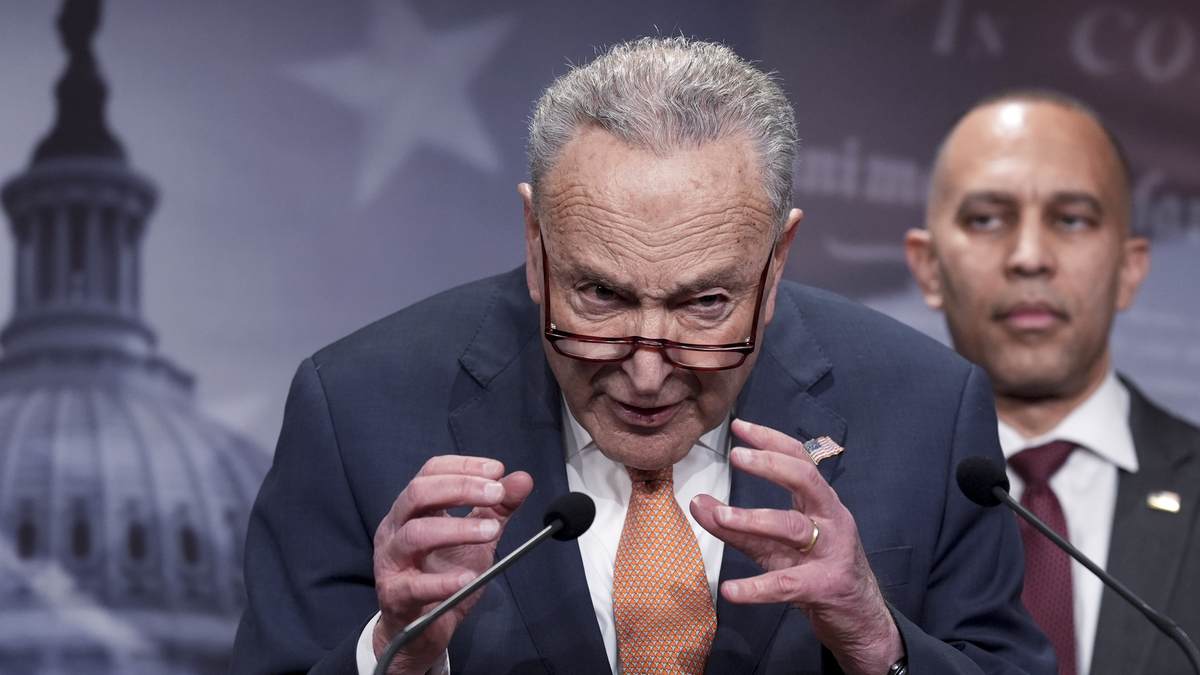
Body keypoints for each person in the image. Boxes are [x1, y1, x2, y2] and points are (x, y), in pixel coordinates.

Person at [232, 38, 1053, 675]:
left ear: (778, 258)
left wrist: (878, 640)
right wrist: (393, 654)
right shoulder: (357, 408)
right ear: (535, 241)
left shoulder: (926, 409)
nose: (648, 372)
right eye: (600, 296)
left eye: (705, 304)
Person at [905, 91, 1200, 675]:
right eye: (986, 219)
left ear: (1130, 269)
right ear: (928, 266)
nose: (1030, 256)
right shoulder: (850, 494)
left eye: (1071, 220)